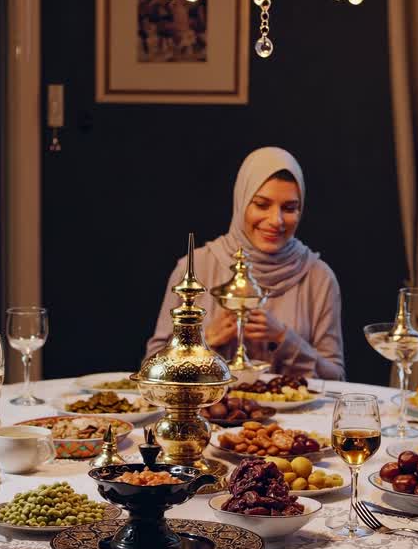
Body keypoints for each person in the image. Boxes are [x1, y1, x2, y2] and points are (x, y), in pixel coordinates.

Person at [145, 147, 345, 380]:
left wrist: (284, 339)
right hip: (209, 414)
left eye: (289, 208)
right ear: (241, 202)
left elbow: (336, 379)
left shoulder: (318, 276)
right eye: (261, 205)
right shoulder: (195, 267)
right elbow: (151, 368)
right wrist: (204, 341)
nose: (276, 220)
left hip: (300, 416)